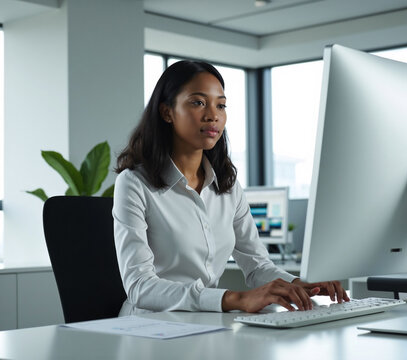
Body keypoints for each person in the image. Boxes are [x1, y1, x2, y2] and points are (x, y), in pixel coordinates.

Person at [113, 60, 349, 315]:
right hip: (148, 328)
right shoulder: (134, 183)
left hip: (205, 323)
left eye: (221, 105)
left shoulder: (227, 185)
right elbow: (140, 287)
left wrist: (300, 285)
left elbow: (257, 266)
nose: (213, 115)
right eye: (198, 102)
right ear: (167, 112)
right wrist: (234, 299)